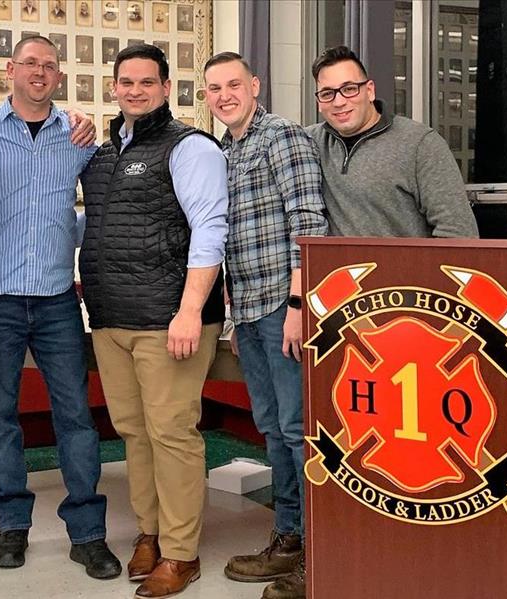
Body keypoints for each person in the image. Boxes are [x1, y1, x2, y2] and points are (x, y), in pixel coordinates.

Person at [79, 44, 228, 599]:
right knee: (135, 432)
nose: (135, 90)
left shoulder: (190, 147)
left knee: (171, 434)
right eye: (126, 82)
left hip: (169, 319)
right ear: (114, 88)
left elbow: (211, 229)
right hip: (112, 319)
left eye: (147, 82)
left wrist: (190, 311)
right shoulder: (101, 155)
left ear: (167, 88)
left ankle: (181, 552)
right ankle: (151, 530)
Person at [0, 34, 121, 581]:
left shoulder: (78, 137)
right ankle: (12, 526)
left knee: (76, 418)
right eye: (30, 63)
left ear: (59, 76)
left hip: (59, 297)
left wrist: (72, 232)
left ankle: (87, 534)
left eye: (50, 66)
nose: (39, 73)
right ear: (10, 68)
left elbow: (105, 204)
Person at [203, 51, 328, 599]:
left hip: (284, 306)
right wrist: (232, 308)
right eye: (214, 88)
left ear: (255, 85)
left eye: (234, 84)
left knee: (299, 431)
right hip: (248, 310)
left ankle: (320, 547)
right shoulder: (224, 150)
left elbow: (309, 224)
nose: (225, 95)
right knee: (274, 428)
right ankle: (290, 535)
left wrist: (300, 307)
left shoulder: (283, 137)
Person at [307, 45, 478, 237]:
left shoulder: (420, 144)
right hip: (336, 268)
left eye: (349, 89)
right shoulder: (306, 144)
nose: (339, 102)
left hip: (405, 266)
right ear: (319, 102)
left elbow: (459, 233)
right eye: (327, 93)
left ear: (370, 91)